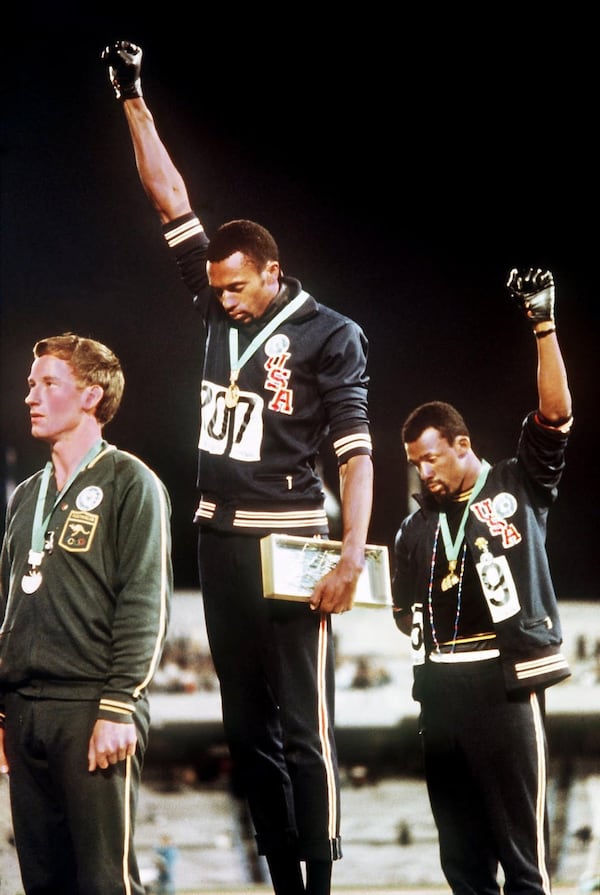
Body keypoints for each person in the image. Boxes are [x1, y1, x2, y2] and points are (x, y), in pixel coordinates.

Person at [100, 41, 374, 895]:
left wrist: (353, 554)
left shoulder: (333, 334)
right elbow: (169, 196)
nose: (223, 301)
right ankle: (283, 882)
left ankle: (320, 886)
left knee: (304, 726)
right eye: (216, 289)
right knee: (245, 723)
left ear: (274, 274)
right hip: (217, 536)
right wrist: (132, 98)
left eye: (238, 290)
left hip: (292, 540)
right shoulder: (212, 293)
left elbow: (355, 453)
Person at [392, 267, 573, 894]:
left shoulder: (517, 485)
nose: (424, 474)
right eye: (414, 463)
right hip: (439, 689)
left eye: (431, 458)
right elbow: (400, 612)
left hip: (505, 683)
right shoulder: (414, 530)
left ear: (463, 444)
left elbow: (555, 414)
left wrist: (542, 322)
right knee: (462, 865)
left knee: (522, 861)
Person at [0, 333, 173, 895]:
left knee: (105, 883)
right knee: (42, 882)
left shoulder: (131, 482)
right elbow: (6, 607)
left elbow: (146, 601)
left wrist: (120, 704)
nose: (32, 396)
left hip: (93, 707)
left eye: (49, 384)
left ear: (91, 395)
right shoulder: (25, 495)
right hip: (24, 710)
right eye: (31, 385)